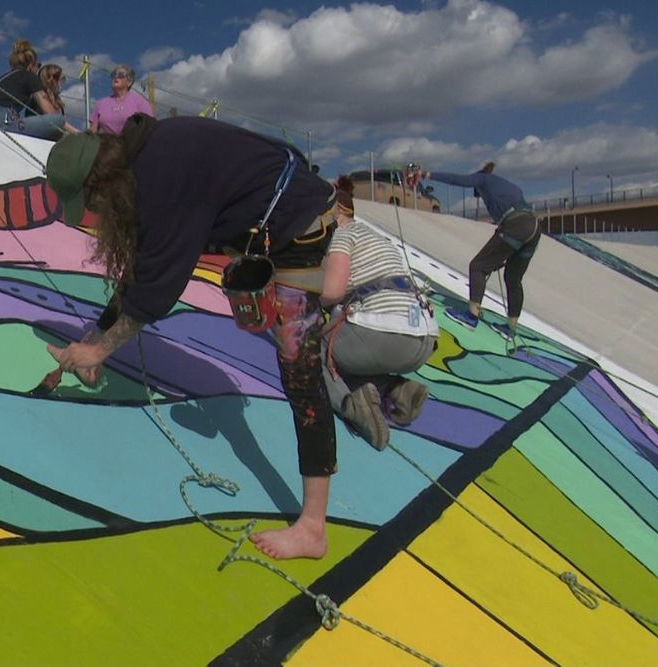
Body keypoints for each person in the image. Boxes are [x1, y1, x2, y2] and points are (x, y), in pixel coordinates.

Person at [44, 114, 342, 561]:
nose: (96, 213)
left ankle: (313, 529)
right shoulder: (145, 153)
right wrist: (99, 336)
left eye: (92, 202)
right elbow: (145, 270)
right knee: (298, 347)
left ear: (102, 183)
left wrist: (99, 347)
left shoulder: (162, 181)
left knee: (299, 369)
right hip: (278, 213)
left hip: (299, 227)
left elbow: (159, 288)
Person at [320, 176, 438, 451]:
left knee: (313, 351)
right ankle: (398, 390)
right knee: (352, 356)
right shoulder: (378, 237)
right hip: (422, 337)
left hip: (385, 334)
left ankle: (353, 407)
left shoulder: (342, 235)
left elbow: (333, 292)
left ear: (333, 213)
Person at [408, 162, 539, 338]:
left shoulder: (483, 179)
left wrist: (425, 175)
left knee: (478, 266)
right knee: (513, 278)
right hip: (534, 228)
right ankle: (511, 329)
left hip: (515, 224)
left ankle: (471, 317)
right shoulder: (510, 187)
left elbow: (458, 180)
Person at [0, 39, 68, 141]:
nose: (38, 69)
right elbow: (50, 113)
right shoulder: (30, 77)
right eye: (38, 65)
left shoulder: (2, 78)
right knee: (59, 120)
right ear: (31, 65)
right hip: (4, 122)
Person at [89, 64, 153, 135]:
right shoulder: (101, 104)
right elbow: (92, 132)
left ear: (129, 82)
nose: (116, 77)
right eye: (114, 74)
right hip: (109, 144)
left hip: (133, 145)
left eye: (121, 75)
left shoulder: (140, 102)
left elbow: (150, 128)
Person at [37, 63, 80, 135]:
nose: (62, 83)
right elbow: (56, 121)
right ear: (52, 80)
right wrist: (79, 133)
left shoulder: (57, 100)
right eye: (61, 80)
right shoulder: (41, 96)